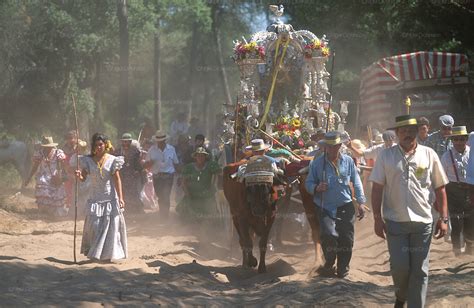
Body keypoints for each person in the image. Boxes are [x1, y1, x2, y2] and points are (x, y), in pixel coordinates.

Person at [369, 115, 449, 308]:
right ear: (396, 134)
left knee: (420, 271)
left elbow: (440, 188)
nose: (408, 134)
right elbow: (377, 189)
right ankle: (401, 295)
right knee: (400, 268)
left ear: (417, 132)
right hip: (395, 223)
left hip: (423, 224)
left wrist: (444, 218)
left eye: (411, 130)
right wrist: (377, 219)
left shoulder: (429, 154)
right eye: (403, 131)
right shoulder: (386, 156)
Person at [305, 131, 367, 278]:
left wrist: (361, 202)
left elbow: (356, 181)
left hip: (345, 205)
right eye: (329, 147)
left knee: (346, 237)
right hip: (324, 206)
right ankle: (330, 261)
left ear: (340, 146)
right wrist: (316, 188)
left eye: (335, 146)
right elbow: (308, 182)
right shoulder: (317, 163)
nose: (332, 149)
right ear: (325, 147)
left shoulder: (348, 161)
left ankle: (343, 267)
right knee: (328, 235)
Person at [74, 133, 127, 261]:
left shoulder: (113, 160)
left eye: (101, 144)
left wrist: (121, 198)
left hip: (110, 198)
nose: (99, 147)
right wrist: (78, 176)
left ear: (105, 145)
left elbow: (117, 179)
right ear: (93, 146)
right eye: (96, 145)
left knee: (111, 228)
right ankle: (95, 253)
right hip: (95, 199)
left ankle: (108, 255)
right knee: (95, 226)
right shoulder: (87, 160)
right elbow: (83, 178)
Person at [440, 126, 473, 256]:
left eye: (462, 139)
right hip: (453, 190)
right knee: (456, 221)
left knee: (470, 220)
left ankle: (470, 246)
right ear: (452, 141)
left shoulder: (472, 153)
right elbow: (442, 177)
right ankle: (457, 250)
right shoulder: (446, 156)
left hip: (470, 190)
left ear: (466, 139)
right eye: (456, 139)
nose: (459, 142)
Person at [24, 136, 68, 218]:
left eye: (49, 147)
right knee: (42, 188)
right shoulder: (40, 153)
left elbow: (62, 165)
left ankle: (55, 212)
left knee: (56, 193)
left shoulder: (58, 152)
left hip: (55, 176)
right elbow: (35, 166)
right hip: (43, 176)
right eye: (46, 147)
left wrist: (61, 176)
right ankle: (44, 211)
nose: (48, 149)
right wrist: (29, 178)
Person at [176, 147, 221, 222]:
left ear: (205, 157)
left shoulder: (211, 166)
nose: (200, 158)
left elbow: (217, 174)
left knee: (212, 215)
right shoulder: (189, 167)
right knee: (185, 216)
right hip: (192, 195)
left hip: (206, 195)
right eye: (198, 156)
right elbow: (184, 183)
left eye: (202, 156)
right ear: (195, 157)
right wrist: (188, 195)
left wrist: (212, 188)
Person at [144, 130, 179, 219]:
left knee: (166, 195)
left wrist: (180, 175)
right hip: (157, 176)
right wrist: (151, 163)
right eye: (158, 141)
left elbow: (176, 163)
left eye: (161, 141)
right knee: (160, 196)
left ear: (164, 141)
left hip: (168, 176)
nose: (159, 142)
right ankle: (162, 213)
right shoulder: (152, 150)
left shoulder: (171, 149)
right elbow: (146, 164)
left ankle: (165, 216)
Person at [115, 133, 144, 213]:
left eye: (127, 142)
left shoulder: (136, 151)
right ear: (121, 142)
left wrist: (138, 171)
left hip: (132, 176)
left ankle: (137, 209)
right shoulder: (117, 151)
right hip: (121, 176)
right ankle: (124, 209)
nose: (126, 144)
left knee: (134, 192)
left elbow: (138, 163)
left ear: (130, 142)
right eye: (124, 142)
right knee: (122, 192)